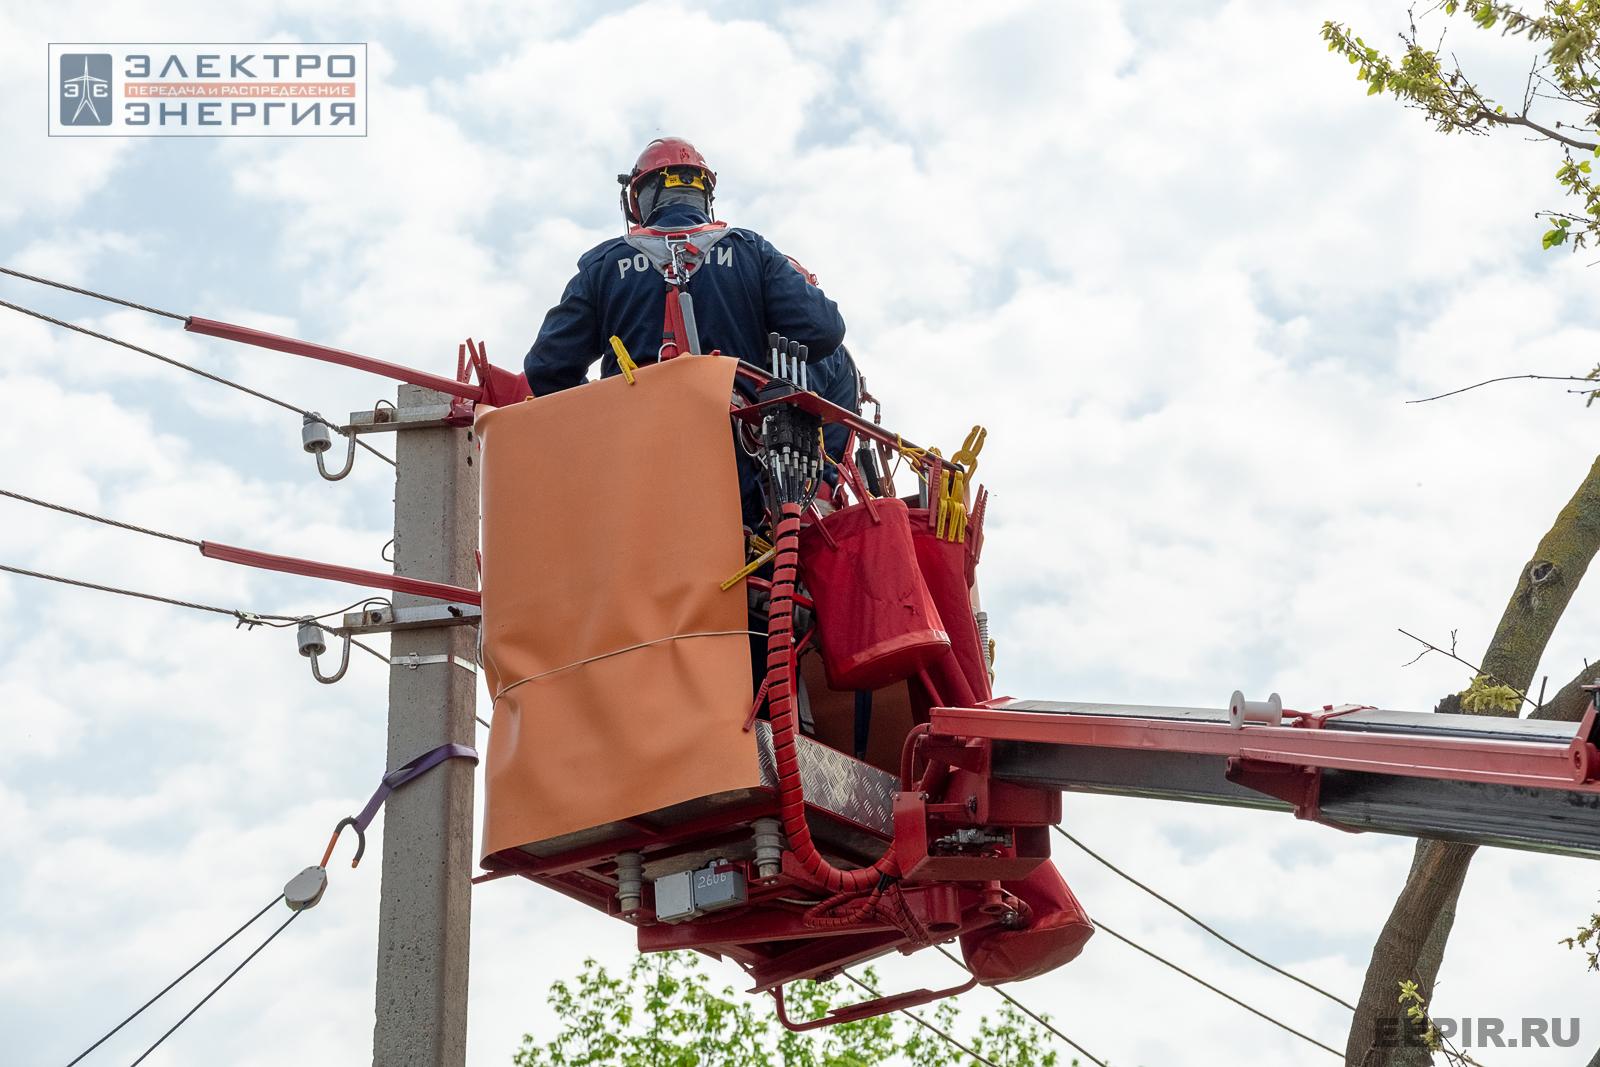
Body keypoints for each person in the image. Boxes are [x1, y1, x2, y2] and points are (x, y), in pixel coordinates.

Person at [523, 137, 846, 396]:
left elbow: (548, 367)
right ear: (705, 196)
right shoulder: (750, 251)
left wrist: (603, 410)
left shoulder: (603, 265)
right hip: (738, 453)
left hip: (632, 456)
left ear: (640, 200)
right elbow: (824, 330)